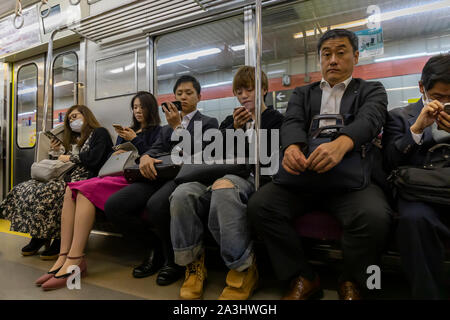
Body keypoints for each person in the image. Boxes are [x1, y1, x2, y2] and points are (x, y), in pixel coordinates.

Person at [247, 29, 393, 300]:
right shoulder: (303, 93)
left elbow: (371, 119)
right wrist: (291, 147)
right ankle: (302, 276)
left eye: (341, 53)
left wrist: (342, 142)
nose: (333, 60)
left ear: (356, 56)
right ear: (320, 60)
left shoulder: (371, 90)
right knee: (260, 205)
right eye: (326, 54)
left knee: (374, 216)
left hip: (351, 180)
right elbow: (291, 122)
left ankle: (353, 280)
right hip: (303, 178)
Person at [169, 66, 284, 300]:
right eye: (239, 91)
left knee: (225, 187)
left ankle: (242, 267)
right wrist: (234, 129)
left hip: (252, 179)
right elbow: (214, 155)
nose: (243, 96)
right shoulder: (228, 121)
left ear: (263, 90)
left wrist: (246, 131)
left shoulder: (275, 119)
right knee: (182, 194)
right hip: (219, 175)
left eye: (249, 90)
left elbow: (265, 160)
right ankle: (193, 264)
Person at [35, 91, 162, 290]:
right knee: (71, 190)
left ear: (150, 109)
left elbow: (155, 155)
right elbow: (114, 157)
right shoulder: (127, 130)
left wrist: (135, 140)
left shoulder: (158, 132)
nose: (137, 111)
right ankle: (64, 256)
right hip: (116, 173)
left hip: (134, 177)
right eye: (135, 107)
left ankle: (76, 259)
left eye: (142, 107)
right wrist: (121, 148)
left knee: (85, 189)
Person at [104, 75, 219, 286]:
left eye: (189, 93)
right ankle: (153, 247)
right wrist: (146, 156)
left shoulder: (209, 123)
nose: (183, 97)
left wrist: (178, 128)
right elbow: (156, 148)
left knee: (156, 206)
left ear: (199, 97)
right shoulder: (165, 128)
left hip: (184, 177)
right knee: (114, 206)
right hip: (157, 175)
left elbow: (200, 156)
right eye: (179, 93)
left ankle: (172, 260)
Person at [0, 105, 112, 260]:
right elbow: (63, 164)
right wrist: (57, 152)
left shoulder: (99, 133)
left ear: (86, 116)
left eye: (75, 116)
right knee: (27, 188)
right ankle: (39, 234)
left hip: (85, 178)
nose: (73, 120)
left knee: (52, 191)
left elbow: (94, 159)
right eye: (70, 118)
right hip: (67, 176)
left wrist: (70, 157)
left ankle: (59, 238)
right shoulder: (74, 140)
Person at [383, 54, 450, 299]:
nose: (445, 103)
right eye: (439, 97)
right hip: (419, 191)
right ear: (422, 88)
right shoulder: (399, 117)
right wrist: (416, 129)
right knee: (414, 219)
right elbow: (389, 162)